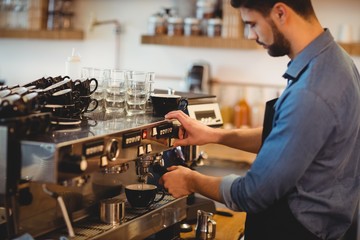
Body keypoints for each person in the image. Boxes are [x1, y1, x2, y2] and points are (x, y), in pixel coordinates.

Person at [159, 0, 360, 239]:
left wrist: (192, 181)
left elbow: (253, 193)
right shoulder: (338, 62)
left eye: (252, 24)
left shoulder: (310, 91)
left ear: (280, 12)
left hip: (298, 231)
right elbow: (288, 139)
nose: (252, 35)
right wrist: (215, 135)